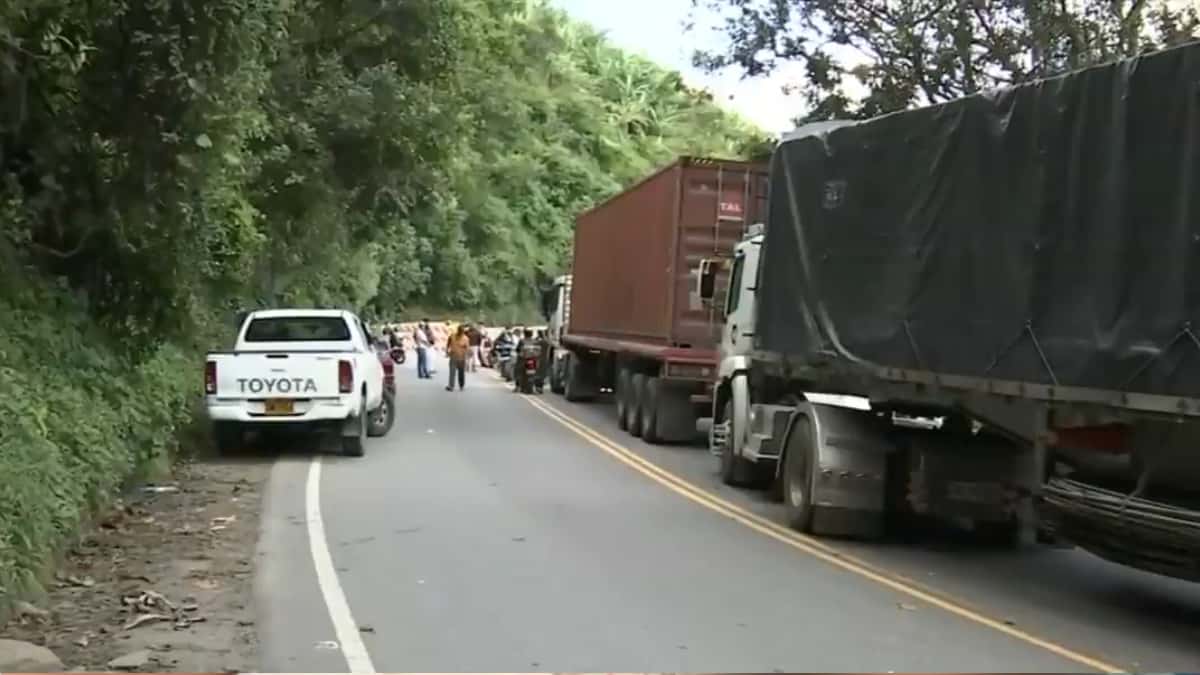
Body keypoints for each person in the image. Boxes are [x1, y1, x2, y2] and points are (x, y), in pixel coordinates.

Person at [445, 324, 471, 391]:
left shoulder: (465, 338)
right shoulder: (453, 336)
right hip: (454, 356)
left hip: (461, 357)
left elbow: (467, 349)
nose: (460, 332)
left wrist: (467, 356)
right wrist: (447, 351)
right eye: (460, 330)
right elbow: (448, 343)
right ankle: (451, 386)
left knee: (460, 373)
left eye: (461, 331)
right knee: (452, 372)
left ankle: (460, 385)